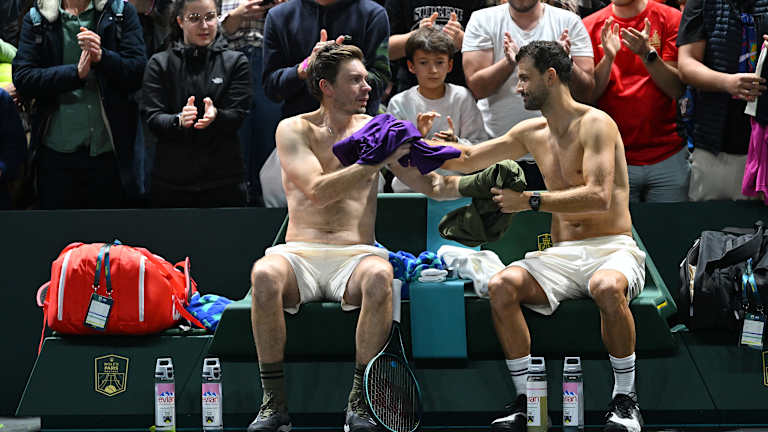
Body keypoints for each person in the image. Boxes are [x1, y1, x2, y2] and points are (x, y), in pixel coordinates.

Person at [247, 43, 461, 432]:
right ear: (327, 86)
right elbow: (317, 189)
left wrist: (486, 187)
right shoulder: (293, 129)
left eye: (367, 80)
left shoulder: (380, 129)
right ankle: (273, 404)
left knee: (382, 276)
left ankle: (360, 403)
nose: (368, 88)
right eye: (356, 80)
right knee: (263, 274)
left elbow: (431, 185)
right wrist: (375, 161)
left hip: (356, 252)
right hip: (299, 252)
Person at [440, 41, 645, 432]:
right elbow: (466, 159)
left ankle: (626, 398)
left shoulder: (598, 124)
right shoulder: (530, 131)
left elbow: (600, 196)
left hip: (612, 248)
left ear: (550, 77)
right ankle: (526, 401)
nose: (518, 87)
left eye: (524, 78)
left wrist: (529, 200)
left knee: (605, 287)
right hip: (561, 254)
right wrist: (415, 143)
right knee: (501, 286)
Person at [12, 0, 147, 209]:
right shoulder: (37, 18)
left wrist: (103, 56)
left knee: (108, 238)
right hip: (56, 155)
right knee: (58, 236)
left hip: (110, 154)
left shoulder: (120, 12)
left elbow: (138, 71)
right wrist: (74, 74)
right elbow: (23, 77)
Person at [461, 0, 595, 190]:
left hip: (559, 153)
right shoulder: (483, 19)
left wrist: (563, 61)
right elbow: (478, 88)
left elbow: (587, 92)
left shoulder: (569, 21)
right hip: (497, 150)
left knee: (558, 217)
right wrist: (509, 62)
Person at [142, 0, 251, 208]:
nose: (204, 25)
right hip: (171, 183)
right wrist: (178, 120)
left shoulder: (236, 62)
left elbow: (238, 114)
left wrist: (217, 116)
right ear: (180, 21)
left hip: (223, 181)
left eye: (210, 17)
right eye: (194, 18)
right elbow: (153, 117)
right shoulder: (159, 63)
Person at [583, 0, 688, 202]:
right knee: (619, 232)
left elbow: (676, 89)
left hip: (668, 155)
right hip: (613, 157)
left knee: (673, 228)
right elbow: (589, 96)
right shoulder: (590, 25)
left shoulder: (670, 18)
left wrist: (647, 54)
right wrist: (608, 58)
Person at [677, 0, 768, 200]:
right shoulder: (703, 3)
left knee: (758, 227)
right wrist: (726, 82)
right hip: (713, 144)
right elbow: (686, 64)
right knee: (707, 223)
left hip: (762, 144)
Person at [387, 26, 488, 191]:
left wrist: (455, 143)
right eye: (423, 63)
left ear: (449, 65)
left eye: (439, 62)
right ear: (411, 66)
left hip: (454, 187)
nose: (432, 70)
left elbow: (480, 146)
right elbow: (391, 156)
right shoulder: (400, 102)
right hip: (410, 189)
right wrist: (417, 136)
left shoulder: (462, 97)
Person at [262, 0, 391, 119]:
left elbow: (381, 79)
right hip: (301, 128)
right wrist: (305, 68)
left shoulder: (373, 14)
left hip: (358, 127)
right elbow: (272, 88)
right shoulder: (279, 16)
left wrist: (344, 74)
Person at [218, 0, 284, 206]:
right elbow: (208, 26)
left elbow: (298, 23)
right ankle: (236, 204)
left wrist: (280, 9)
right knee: (234, 139)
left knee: (270, 139)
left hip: (271, 59)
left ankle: (266, 206)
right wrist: (237, 15)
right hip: (229, 60)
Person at [384, 0, 487, 94]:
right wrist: (416, 37)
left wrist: (463, 41)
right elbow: (385, 50)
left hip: (461, 89)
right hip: (411, 88)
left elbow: (488, 54)